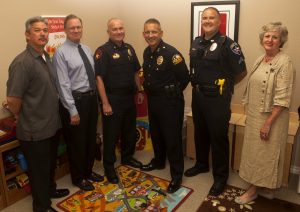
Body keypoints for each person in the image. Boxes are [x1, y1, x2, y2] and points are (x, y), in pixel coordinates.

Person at [4, 16, 69, 212]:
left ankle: (50, 191)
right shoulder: (22, 63)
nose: (43, 34)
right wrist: (19, 116)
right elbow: (13, 100)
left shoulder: (45, 56)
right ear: (27, 35)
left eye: (45, 30)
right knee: (38, 171)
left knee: (48, 166)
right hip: (34, 130)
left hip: (51, 125)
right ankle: (42, 206)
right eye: (37, 30)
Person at [185, 7, 247, 196]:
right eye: (205, 18)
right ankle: (202, 164)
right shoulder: (197, 42)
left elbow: (241, 72)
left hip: (218, 99)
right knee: (200, 133)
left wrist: (226, 87)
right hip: (198, 96)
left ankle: (221, 177)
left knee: (219, 138)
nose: (207, 20)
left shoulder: (229, 44)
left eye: (212, 18)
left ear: (219, 22)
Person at [235, 22, 295, 204]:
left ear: (281, 41)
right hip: (255, 115)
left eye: (274, 37)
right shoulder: (260, 59)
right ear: (262, 40)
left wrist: (268, 123)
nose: (270, 40)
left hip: (272, 118)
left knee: (265, 155)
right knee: (255, 153)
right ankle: (265, 187)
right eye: (267, 36)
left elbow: (283, 99)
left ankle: (253, 191)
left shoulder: (285, 63)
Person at [52, 14, 103, 191]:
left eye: (78, 27)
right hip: (74, 102)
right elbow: (63, 84)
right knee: (77, 143)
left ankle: (88, 172)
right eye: (72, 27)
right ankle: (78, 177)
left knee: (90, 139)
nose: (76, 30)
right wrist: (72, 110)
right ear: (65, 30)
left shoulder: (87, 49)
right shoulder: (60, 52)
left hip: (90, 99)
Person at [140, 18, 189, 193]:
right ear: (143, 34)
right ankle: (159, 161)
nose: (151, 35)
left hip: (170, 102)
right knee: (157, 133)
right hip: (153, 100)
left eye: (154, 32)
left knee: (172, 138)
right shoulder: (147, 52)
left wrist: (172, 93)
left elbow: (185, 77)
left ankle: (176, 175)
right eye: (147, 32)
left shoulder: (171, 53)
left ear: (161, 33)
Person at [94, 18, 144, 184]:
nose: (118, 31)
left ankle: (127, 157)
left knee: (129, 130)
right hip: (112, 99)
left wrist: (139, 90)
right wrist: (105, 103)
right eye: (114, 29)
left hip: (128, 97)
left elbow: (136, 72)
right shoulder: (103, 51)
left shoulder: (129, 48)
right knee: (111, 135)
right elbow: (99, 78)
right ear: (108, 31)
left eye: (120, 28)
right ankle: (109, 167)